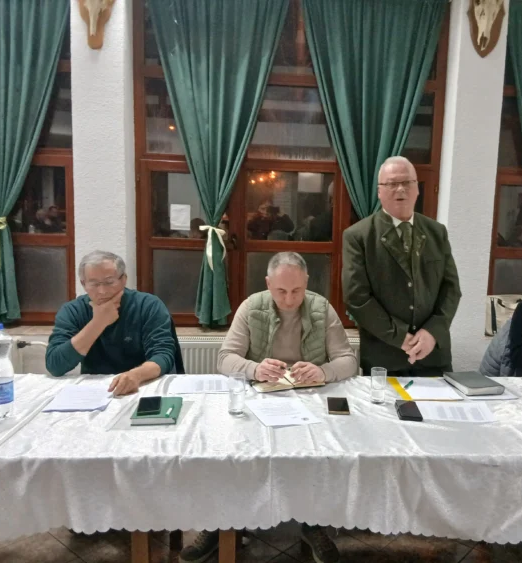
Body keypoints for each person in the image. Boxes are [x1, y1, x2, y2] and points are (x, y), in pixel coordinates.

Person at [180, 252, 355, 563]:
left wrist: (323, 371)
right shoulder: (251, 307)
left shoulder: (321, 308)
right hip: (259, 399)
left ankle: (313, 523)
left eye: (297, 290)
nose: (289, 300)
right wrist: (255, 368)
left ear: (307, 283)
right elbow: (225, 359)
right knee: (230, 455)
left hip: (308, 399)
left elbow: (348, 361)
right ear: (268, 284)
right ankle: (221, 525)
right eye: (281, 291)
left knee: (318, 457)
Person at [342, 156, 461, 377]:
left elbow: (451, 289)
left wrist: (432, 332)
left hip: (433, 356)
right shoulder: (359, 236)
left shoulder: (437, 232)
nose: (400, 189)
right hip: (385, 359)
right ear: (379, 191)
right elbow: (356, 297)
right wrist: (400, 337)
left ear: (417, 189)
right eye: (392, 184)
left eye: (407, 182)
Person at [46, 250, 178, 395]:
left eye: (109, 282)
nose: (102, 291)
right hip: (96, 391)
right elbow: (55, 366)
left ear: (123, 279)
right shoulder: (72, 310)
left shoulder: (148, 305)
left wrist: (136, 375)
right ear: (84, 284)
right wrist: (98, 323)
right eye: (94, 284)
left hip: (144, 385)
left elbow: (163, 355)